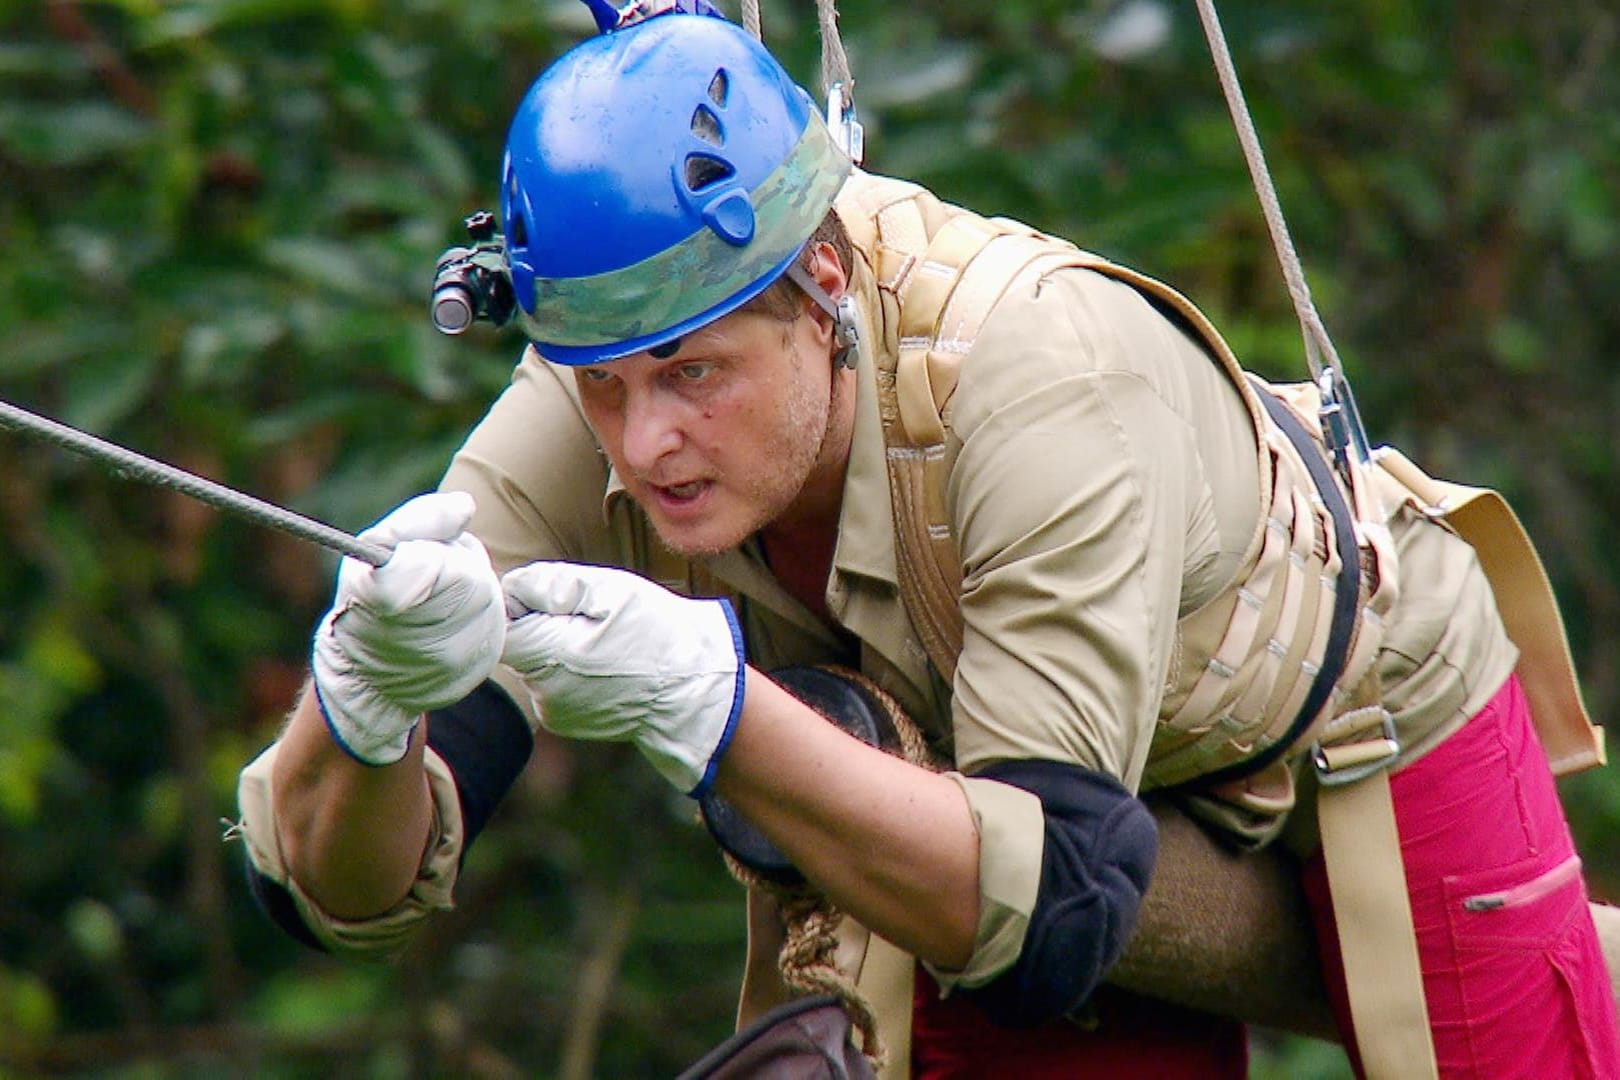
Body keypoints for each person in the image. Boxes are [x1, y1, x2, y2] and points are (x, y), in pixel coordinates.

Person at [234, 5, 1620, 1077]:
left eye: (695, 377)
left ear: (821, 285)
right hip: (1018, 789)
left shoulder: (1038, 379)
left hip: (1353, 713)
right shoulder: (602, 373)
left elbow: (1058, 901)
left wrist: (718, 712)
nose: (643, 441)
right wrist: (363, 710)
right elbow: (326, 896)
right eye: (603, 386)